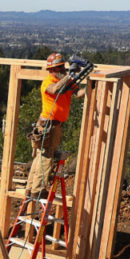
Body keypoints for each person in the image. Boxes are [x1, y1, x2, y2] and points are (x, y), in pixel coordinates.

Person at [25, 52, 83, 199]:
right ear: (51, 70)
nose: (62, 70)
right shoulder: (48, 81)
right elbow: (55, 89)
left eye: (63, 67)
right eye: (59, 68)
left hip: (55, 127)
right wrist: (70, 76)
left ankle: (30, 188)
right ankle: (38, 190)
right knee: (45, 157)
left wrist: (91, 86)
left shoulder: (66, 81)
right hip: (47, 126)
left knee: (40, 156)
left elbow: (79, 93)